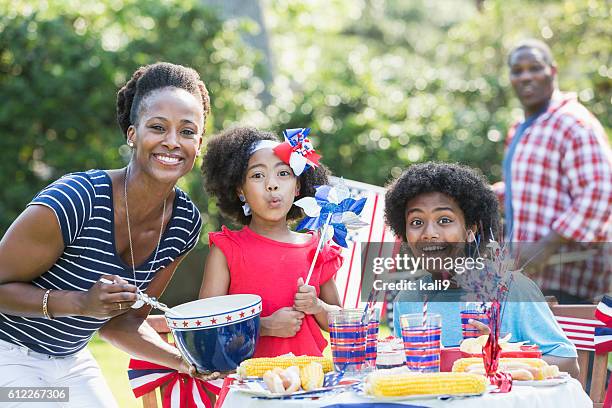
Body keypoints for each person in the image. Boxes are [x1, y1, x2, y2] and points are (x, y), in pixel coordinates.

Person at [0, 62, 218, 407]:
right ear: (132, 133)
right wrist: (80, 303)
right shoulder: (77, 199)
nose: (172, 142)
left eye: (187, 131)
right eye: (158, 127)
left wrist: (185, 362)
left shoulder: (184, 223)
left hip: (69, 359)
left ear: (199, 143)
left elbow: (122, 325)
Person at [386, 162, 579, 377]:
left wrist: (498, 357)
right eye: (416, 222)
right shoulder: (409, 299)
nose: (429, 233)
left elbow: (568, 363)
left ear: (471, 230)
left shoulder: (512, 289)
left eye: (444, 220)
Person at [199, 127, 342, 357]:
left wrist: (318, 307)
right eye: (257, 175)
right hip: (248, 385)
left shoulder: (317, 249)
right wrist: (264, 327)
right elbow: (206, 327)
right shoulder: (227, 250)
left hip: (309, 385)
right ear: (240, 191)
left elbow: (341, 324)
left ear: (297, 187)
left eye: (283, 174)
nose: (272, 184)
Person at [496, 39, 611, 303]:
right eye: (517, 70)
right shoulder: (522, 128)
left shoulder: (573, 122)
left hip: (569, 281)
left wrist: (545, 247)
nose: (525, 76)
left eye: (535, 67)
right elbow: (535, 186)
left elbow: (600, 193)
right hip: (532, 280)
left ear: (553, 71)